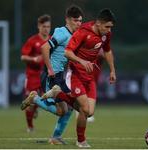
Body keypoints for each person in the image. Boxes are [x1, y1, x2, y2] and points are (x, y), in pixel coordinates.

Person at [44, 8, 117, 147]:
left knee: (89, 112)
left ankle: (58, 93)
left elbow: (107, 50)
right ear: (98, 23)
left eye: (111, 27)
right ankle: (81, 141)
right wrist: (82, 61)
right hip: (75, 74)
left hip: (90, 78)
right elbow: (67, 52)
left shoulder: (106, 34)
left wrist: (112, 70)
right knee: (84, 107)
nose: (109, 30)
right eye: (107, 27)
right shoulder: (83, 32)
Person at [21, 5, 84, 144]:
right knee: (63, 110)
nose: (78, 24)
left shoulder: (74, 35)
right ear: (67, 20)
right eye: (75, 20)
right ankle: (35, 100)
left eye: (80, 21)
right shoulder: (62, 33)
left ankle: (56, 137)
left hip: (60, 76)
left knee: (69, 108)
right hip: (51, 76)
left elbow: (65, 56)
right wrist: (50, 69)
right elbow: (45, 47)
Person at [20, 14, 51, 133]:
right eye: (44, 26)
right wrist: (33, 59)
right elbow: (23, 57)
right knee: (30, 102)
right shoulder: (32, 41)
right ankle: (30, 127)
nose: (46, 29)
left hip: (47, 75)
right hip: (33, 75)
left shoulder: (52, 40)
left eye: (48, 26)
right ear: (39, 26)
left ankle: (37, 107)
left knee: (47, 99)